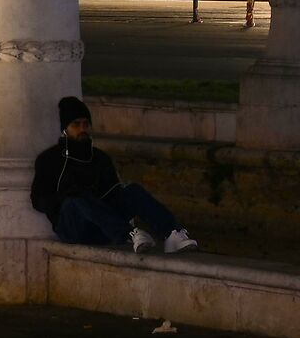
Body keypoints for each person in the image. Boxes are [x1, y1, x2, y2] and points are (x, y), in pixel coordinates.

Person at [31, 96, 197, 253]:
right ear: (65, 129)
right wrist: (66, 195)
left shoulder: (99, 158)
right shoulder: (49, 159)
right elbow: (38, 201)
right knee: (76, 200)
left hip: (103, 227)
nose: (82, 129)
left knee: (132, 191)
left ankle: (172, 234)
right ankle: (129, 234)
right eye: (76, 124)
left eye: (85, 124)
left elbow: (113, 192)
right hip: (74, 228)